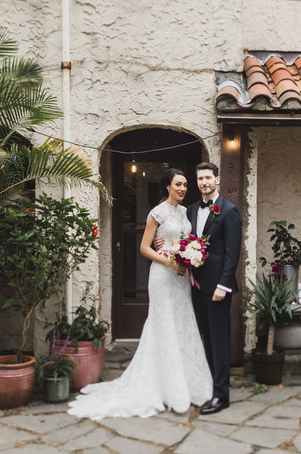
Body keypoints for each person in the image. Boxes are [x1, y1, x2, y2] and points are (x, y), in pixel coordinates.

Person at [68, 168, 213, 419]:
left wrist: (190, 254)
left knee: (182, 325)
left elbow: (185, 240)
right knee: (163, 325)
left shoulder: (184, 212)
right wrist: (170, 261)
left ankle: (187, 384)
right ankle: (168, 389)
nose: (182, 188)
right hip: (163, 275)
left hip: (181, 278)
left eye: (185, 185)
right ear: (167, 186)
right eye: (178, 184)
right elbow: (144, 248)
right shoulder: (157, 212)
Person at [186, 161, 241, 415]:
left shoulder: (229, 211)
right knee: (206, 340)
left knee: (219, 343)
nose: (204, 182)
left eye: (208, 178)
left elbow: (232, 252)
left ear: (217, 180)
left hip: (218, 289)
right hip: (197, 286)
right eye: (200, 179)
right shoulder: (191, 210)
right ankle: (210, 388)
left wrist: (223, 285)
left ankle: (222, 396)